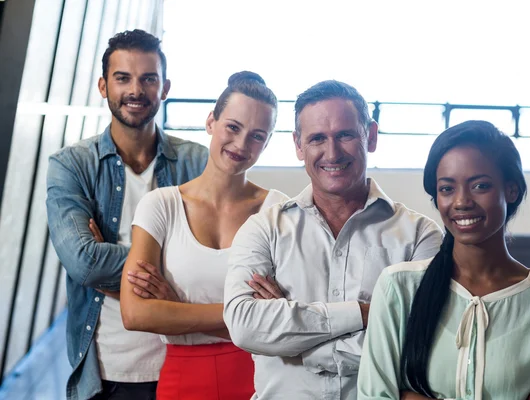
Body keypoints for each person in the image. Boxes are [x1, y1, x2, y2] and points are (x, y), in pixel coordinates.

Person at [223, 80, 444, 399]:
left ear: (370, 136)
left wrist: (296, 345)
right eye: (317, 139)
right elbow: (245, 325)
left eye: (345, 135)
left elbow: (420, 342)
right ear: (299, 145)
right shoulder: (264, 230)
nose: (332, 152)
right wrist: (365, 314)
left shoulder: (420, 236)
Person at [357, 120, 530, 400]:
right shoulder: (399, 287)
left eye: (480, 185)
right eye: (447, 189)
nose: (462, 201)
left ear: (511, 190)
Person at [46, 29, 208, 400]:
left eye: (148, 78)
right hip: (109, 370)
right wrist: (174, 263)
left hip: (186, 360)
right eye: (123, 78)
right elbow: (84, 262)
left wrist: (112, 262)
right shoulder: (71, 166)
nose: (136, 90)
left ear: (164, 87)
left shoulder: (198, 163)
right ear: (104, 86)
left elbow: (224, 261)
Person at [119, 71, 288, 399]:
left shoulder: (279, 210)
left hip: (267, 378)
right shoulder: (161, 205)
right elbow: (135, 313)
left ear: (267, 143)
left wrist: (175, 308)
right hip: (183, 380)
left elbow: (288, 319)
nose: (241, 144)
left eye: (257, 136)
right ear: (211, 121)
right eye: (233, 127)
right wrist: (246, 313)